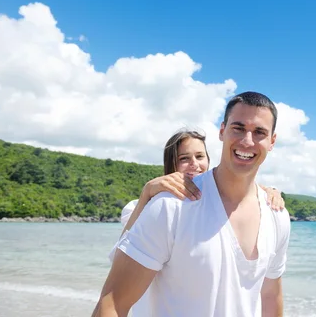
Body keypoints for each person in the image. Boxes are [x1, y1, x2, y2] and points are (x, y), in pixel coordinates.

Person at [94, 91, 291, 317]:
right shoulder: (169, 207)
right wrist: (148, 193)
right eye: (238, 128)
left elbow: (270, 298)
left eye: (259, 132)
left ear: (272, 141)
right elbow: (111, 304)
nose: (247, 140)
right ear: (222, 131)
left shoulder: (276, 215)